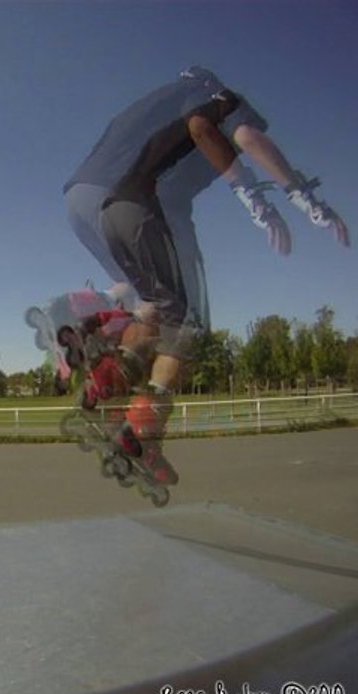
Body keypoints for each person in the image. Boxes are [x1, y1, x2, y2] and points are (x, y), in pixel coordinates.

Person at [62, 66, 349, 483]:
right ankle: (141, 431)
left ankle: (103, 375)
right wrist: (287, 197)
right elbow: (235, 135)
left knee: (153, 306)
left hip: (90, 203)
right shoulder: (216, 98)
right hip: (144, 207)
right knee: (187, 327)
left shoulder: (152, 104)